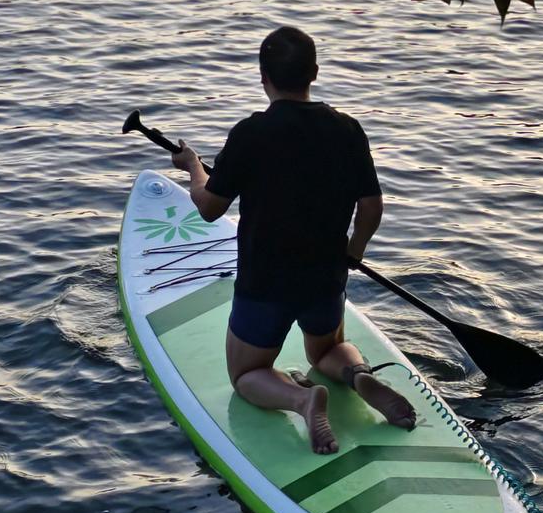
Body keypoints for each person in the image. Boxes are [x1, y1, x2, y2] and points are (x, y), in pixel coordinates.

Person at [171, 26, 416, 455]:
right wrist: (352, 253)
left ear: (262, 77)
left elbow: (210, 207)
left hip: (266, 283)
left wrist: (193, 165)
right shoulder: (347, 130)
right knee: (328, 348)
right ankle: (359, 375)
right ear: (314, 72)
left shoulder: (250, 133)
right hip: (325, 278)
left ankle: (301, 399)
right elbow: (371, 209)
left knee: (247, 375)